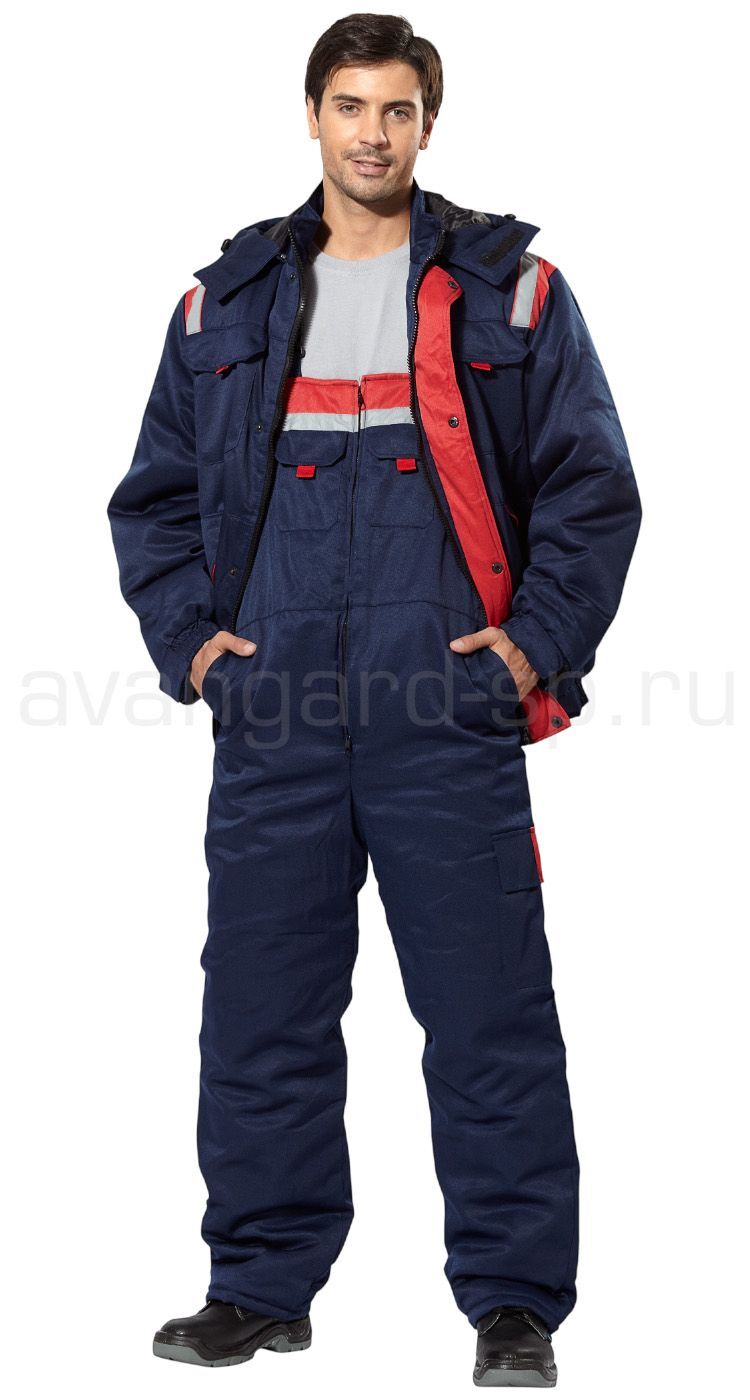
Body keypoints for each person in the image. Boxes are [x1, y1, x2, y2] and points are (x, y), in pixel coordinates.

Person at [107, 12, 642, 1386]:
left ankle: (512, 1304)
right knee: (262, 1009)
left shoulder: (511, 294)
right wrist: (196, 649)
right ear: (311, 116)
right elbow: (154, 502)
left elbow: (591, 489)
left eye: (397, 110)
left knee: (487, 1012)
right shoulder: (222, 304)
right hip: (274, 712)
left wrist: (530, 647)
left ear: (426, 126)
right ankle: (258, 1283)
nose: (372, 133)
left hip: (443, 707)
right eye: (349, 105)